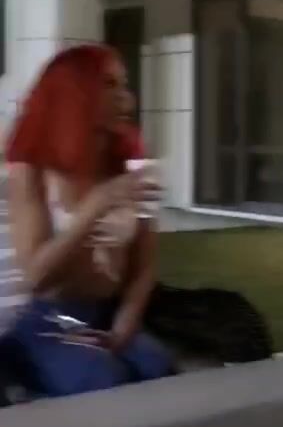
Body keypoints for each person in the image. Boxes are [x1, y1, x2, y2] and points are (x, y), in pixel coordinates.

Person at [3, 44, 175, 398]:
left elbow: (145, 266)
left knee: (157, 368)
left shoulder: (134, 166)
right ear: (74, 95)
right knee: (103, 380)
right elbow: (36, 276)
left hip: (108, 313)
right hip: (51, 321)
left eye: (124, 85)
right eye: (109, 85)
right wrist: (97, 206)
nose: (126, 98)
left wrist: (125, 322)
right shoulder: (32, 171)